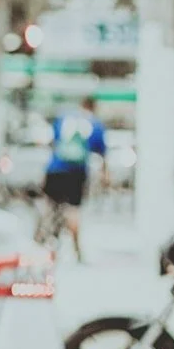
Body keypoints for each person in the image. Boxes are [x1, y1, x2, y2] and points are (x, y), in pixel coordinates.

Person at [44, 94, 108, 261]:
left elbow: (54, 142)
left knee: (51, 208)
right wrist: (105, 174)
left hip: (54, 170)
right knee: (73, 210)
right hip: (76, 173)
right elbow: (102, 153)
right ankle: (76, 248)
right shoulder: (95, 124)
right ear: (93, 107)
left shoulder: (64, 117)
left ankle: (48, 244)